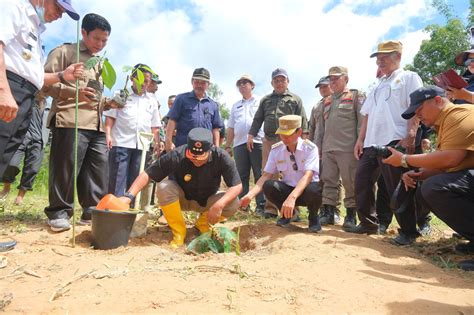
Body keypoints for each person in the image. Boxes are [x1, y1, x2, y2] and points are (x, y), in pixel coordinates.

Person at [347, 40, 426, 243]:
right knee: (361, 182)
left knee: (396, 187)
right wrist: (360, 140)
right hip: (370, 143)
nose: (379, 63)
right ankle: (368, 224)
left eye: (383, 58)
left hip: (394, 140)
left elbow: (417, 107)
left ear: (398, 57)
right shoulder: (377, 85)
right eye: (378, 59)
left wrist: (411, 134)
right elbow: (366, 115)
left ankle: (408, 231)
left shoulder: (409, 77)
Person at [41, 13, 113, 232]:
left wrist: (111, 102)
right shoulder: (65, 52)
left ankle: (91, 211)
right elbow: (43, 84)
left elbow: (95, 96)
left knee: (97, 171)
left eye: (104, 41)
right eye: (96, 39)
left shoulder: (99, 63)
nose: (100, 44)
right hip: (70, 119)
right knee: (66, 168)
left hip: (95, 123)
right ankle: (59, 212)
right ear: (84, 32)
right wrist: (75, 93)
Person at [383, 86, 473, 251]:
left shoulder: (459, 114)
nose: (418, 116)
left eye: (420, 109)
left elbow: (451, 159)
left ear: (438, 101)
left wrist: (404, 160)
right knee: (428, 188)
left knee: (435, 187)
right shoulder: (444, 123)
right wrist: (423, 173)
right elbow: (456, 164)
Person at [120, 128, 242, 248]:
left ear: (210, 150)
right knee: (164, 187)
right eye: (192, 156)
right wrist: (129, 196)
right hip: (181, 200)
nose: (196, 161)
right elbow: (148, 174)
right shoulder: (177, 154)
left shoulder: (222, 157)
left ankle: (202, 225)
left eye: (200, 157)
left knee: (233, 202)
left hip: (207, 202)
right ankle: (179, 232)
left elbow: (237, 186)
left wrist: (219, 205)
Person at [0, 0, 81, 177]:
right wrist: (3, 91)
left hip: (26, 95)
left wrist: (61, 76)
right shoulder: (14, 8)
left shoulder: (36, 31)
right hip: (9, 87)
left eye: (63, 12)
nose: (60, 15)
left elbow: (31, 75)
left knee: (5, 152)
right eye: (58, 8)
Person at [240, 115, 322, 232]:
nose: (284, 138)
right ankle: (288, 214)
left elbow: (308, 176)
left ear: (299, 132)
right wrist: (250, 195)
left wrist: (292, 198)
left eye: (288, 134)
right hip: (287, 190)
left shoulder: (310, 148)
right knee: (269, 185)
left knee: (314, 189)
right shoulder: (276, 150)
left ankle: (313, 217)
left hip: (306, 192)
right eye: (281, 134)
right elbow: (266, 175)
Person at [248, 68, 308, 218]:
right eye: (276, 80)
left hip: (291, 140)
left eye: (282, 80)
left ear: (288, 81)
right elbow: (258, 119)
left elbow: (303, 119)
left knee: (293, 172)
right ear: (272, 83)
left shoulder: (295, 99)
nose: (279, 83)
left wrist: (304, 138)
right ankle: (270, 209)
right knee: (269, 173)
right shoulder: (266, 100)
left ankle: (293, 210)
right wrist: (251, 134)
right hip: (270, 140)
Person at [314, 66, 363, 229]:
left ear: (346, 79)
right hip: (328, 149)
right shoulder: (326, 101)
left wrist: (360, 142)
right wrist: (318, 147)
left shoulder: (355, 96)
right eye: (331, 79)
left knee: (350, 182)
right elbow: (321, 128)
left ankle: (350, 215)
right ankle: (328, 212)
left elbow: (361, 122)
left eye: (336, 78)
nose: (332, 82)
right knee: (328, 181)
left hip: (348, 148)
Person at [105, 64, 161, 199]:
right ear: (132, 78)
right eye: (141, 80)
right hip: (120, 141)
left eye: (147, 81)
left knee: (136, 180)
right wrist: (107, 134)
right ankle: (115, 209)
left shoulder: (152, 100)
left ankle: (129, 210)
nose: (144, 84)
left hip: (142, 146)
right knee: (117, 178)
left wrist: (158, 142)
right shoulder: (121, 94)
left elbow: (155, 125)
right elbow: (110, 116)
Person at [226, 75, 265, 213]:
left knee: (259, 174)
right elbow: (231, 127)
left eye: (245, 82)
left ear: (252, 85)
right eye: (240, 83)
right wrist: (227, 145)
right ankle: (243, 205)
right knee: (241, 175)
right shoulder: (235, 105)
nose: (242, 85)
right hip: (238, 144)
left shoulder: (261, 100)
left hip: (258, 141)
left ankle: (261, 205)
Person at [0, 96, 49, 204]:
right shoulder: (28, 99)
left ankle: (20, 196)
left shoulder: (49, 106)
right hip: (21, 137)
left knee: (32, 169)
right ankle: (7, 186)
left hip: (39, 140)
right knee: (11, 164)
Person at [164, 68, 222, 152]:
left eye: (203, 83)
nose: (199, 85)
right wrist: (168, 141)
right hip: (183, 148)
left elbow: (216, 128)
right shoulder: (181, 99)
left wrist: (217, 148)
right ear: (192, 82)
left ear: (208, 85)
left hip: (205, 150)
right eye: (197, 82)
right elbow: (172, 120)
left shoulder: (213, 105)